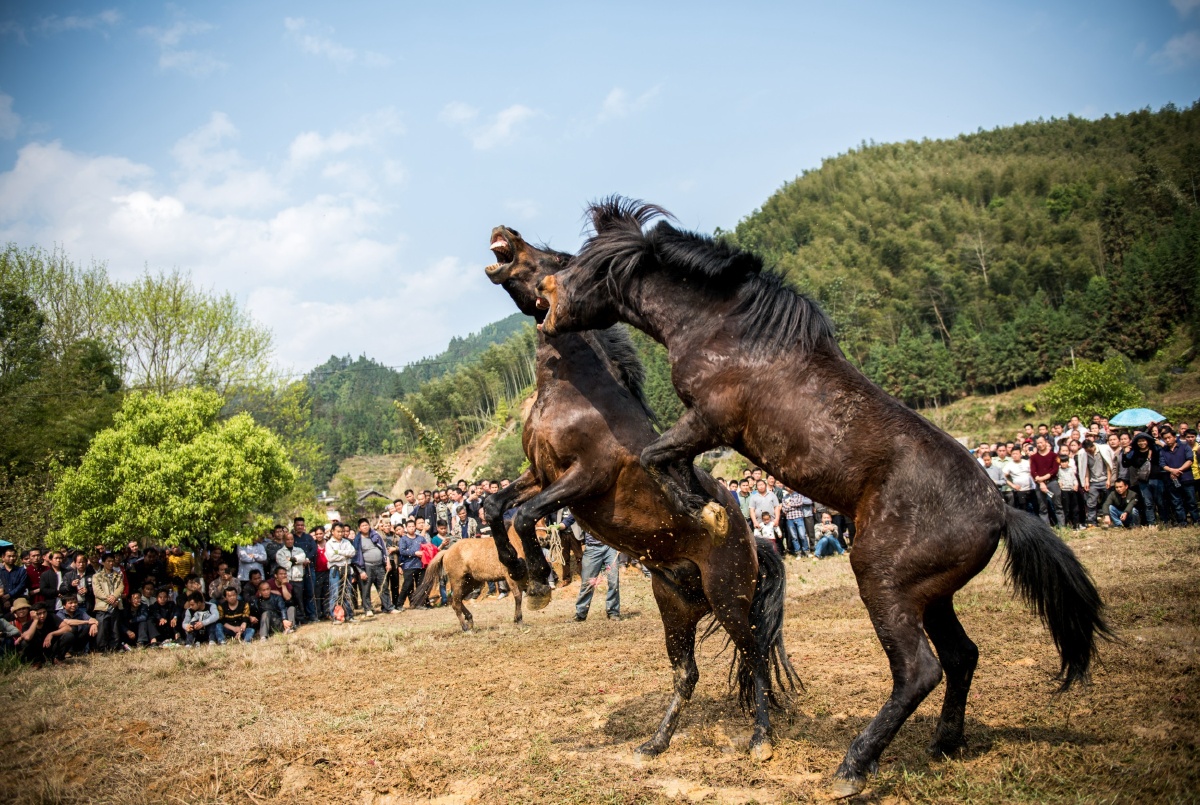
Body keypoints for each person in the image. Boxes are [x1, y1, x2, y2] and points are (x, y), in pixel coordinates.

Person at [572, 529, 620, 622]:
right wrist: (557, 527)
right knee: (587, 583)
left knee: (613, 581)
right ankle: (581, 614)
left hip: (610, 547)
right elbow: (569, 521)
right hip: (592, 548)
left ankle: (613, 612)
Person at [352, 518, 394, 617]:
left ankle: (389, 607)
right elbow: (356, 557)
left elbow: (384, 549)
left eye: (366, 525)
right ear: (359, 528)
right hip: (367, 566)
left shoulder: (376, 536)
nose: (365, 527)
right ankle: (368, 609)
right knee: (366, 589)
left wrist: (387, 562)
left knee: (383, 587)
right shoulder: (357, 540)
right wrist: (361, 571)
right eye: (363, 526)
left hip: (380, 565)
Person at [1159, 428, 1198, 526]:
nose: (1167, 440)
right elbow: (1162, 464)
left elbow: (1190, 460)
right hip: (1172, 480)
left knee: (1191, 502)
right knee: (1177, 503)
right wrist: (1172, 470)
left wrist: (1178, 470)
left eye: (1169, 437)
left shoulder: (1184, 447)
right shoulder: (1163, 451)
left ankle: (1196, 521)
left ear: (1174, 437)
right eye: (1165, 439)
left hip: (1187, 479)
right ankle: (1182, 522)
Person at [275, 533, 312, 623]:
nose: (290, 541)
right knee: (289, 600)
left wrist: (291, 559)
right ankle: (291, 619)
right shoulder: (280, 552)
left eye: (291, 539)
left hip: (297, 579)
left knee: (299, 600)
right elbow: (285, 565)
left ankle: (302, 619)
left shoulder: (299, 550)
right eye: (288, 539)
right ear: (284, 540)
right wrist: (296, 561)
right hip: (287, 580)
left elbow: (302, 558)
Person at [91, 552, 124, 652]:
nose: (111, 563)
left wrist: (114, 597)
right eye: (108, 561)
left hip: (115, 604)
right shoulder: (97, 576)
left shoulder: (118, 575)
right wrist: (108, 599)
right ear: (103, 562)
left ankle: (113, 648)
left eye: (112, 561)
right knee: (102, 628)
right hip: (102, 605)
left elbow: (121, 587)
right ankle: (102, 649)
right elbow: (97, 591)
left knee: (115, 628)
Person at [324, 522, 357, 622]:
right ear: (332, 532)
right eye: (338, 531)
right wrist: (345, 555)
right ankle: (335, 617)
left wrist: (338, 552)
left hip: (346, 568)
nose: (340, 534)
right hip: (335, 570)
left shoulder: (346, 542)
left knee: (347, 593)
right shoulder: (329, 544)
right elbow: (331, 557)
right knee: (335, 593)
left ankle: (349, 615)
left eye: (342, 531)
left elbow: (352, 552)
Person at [1030, 436, 1065, 527]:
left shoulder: (1054, 455)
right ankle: (1046, 527)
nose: (1040, 445)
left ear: (1045, 442)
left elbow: (1054, 470)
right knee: (1042, 507)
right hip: (1039, 485)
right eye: (1038, 443)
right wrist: (1041, 483)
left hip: (1052, 482)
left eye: (1041, 442)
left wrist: (1043, 478)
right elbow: (1033, 471)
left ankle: (1062, 526)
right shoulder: (1033, 457)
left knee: (1058, 505)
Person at [291, 517, 319, 625]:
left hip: (308, 567)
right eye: (298, 525)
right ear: (294, 526)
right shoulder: (291, 538)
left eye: (302, 525)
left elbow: (314, 550)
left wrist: (307, 559)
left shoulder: (308, 537)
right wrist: (300, 561)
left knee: (310, 591)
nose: (300, 527)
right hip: (296, 568)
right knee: (298, 593)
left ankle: (312, 615)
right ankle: (301, 617)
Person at [1081, 439, 1114, 527]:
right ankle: (1092, 522)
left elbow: (1108, 466)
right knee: (1091, 502)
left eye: (1090, 450)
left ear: (1093, 446)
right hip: (1093, 481)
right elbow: (1086, 468)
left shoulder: (1103, 450)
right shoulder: (1085, 454)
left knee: (1108, 500)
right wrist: (1086, 481)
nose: (1089, 452)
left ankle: (1109, 520)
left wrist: (1109, 479)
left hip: (1104, 479)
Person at [779, 488, 813, 557]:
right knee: (794, 537)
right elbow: (784, 508)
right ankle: (798, 552)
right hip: (789, 518)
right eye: (787, 487)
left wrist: (790, 505)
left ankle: (806, 551)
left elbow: (800, 503)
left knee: (802, 535)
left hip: (798, 517)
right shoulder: (785, 497)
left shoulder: (799, 495)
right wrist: (793, 505)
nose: (788, 488)